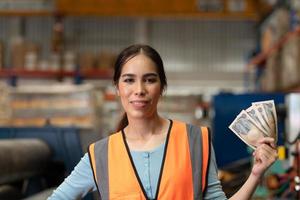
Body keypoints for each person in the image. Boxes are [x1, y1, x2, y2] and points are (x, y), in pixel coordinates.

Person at [48, 44, 278, 200]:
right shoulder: (100, 156)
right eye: (129, 80)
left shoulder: (195, 141)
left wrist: (255, 174)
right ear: (117, 88)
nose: (139, 90)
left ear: (162, 87)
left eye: (149, 80)